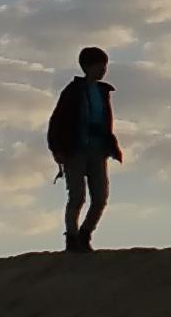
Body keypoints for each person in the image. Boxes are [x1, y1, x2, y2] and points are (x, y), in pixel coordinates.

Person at [47, 47, 122, 251]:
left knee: (100, 197)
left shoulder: (102, 91)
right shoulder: (72, 91)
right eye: (100, 65)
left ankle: (85, 234)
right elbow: (57, 122)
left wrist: (110, 146)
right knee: (77, 196)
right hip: (75, 150)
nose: (103, 70)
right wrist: (57, 150)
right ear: (87, 67)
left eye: (105, 66)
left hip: (98, 151)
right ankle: (72, 238)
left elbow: (106, 123)